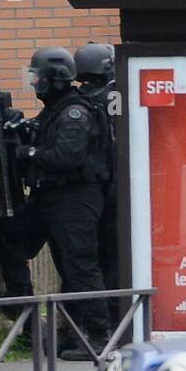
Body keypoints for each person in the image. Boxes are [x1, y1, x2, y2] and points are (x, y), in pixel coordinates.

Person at [0, 47, 113, 361]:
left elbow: (65, 157)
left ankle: (99, 338)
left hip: (75, 199)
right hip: (49, 197)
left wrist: (28, 154)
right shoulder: (57, 109)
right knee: (11, 235)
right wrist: (21, 129)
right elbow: (43, 136)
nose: (34, 83)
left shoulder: (75, 112)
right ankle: (23, 307)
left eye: (38, 77)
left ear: (54, 79)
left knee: (79, 267)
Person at [75, 43, 119, 294]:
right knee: (112, 253)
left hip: (92, 187)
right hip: (114, 182)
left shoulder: (78, 101)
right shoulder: (116, 93)